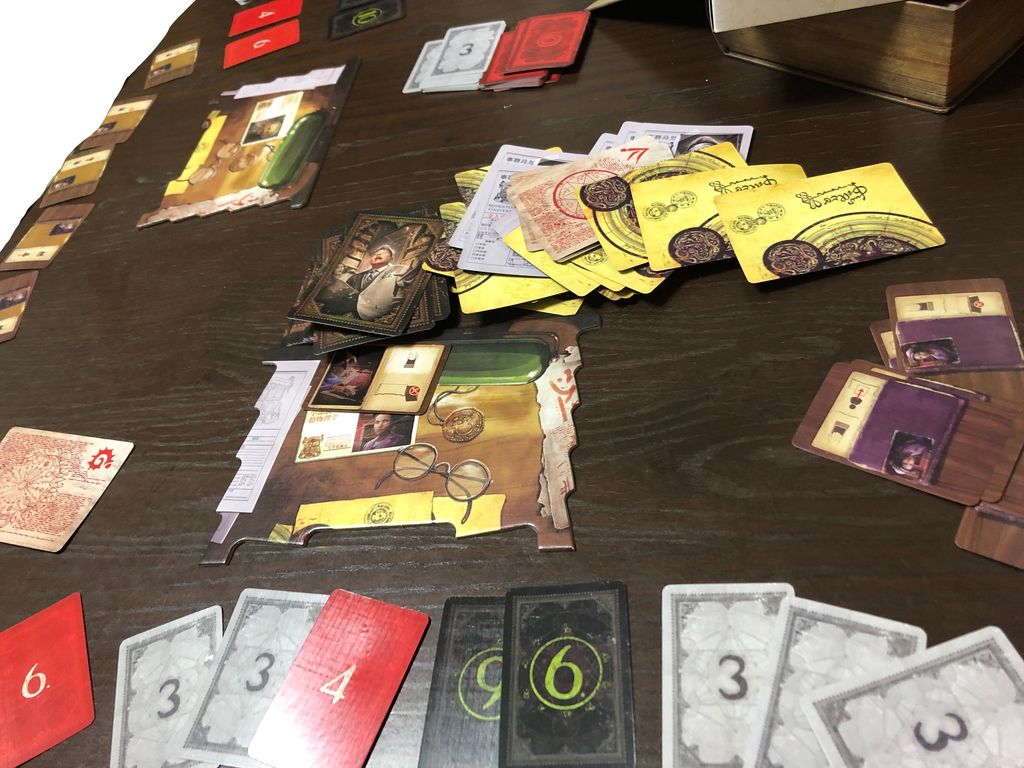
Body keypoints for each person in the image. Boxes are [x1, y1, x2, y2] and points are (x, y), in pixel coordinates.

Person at [315, 244, 414, 321]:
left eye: (383, 253)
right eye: (375, 254)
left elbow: (407, 283)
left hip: (374, 312)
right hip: (348, 310)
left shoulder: (400, 270)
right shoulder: (356, 277)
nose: (378, 254)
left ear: (391, 258)